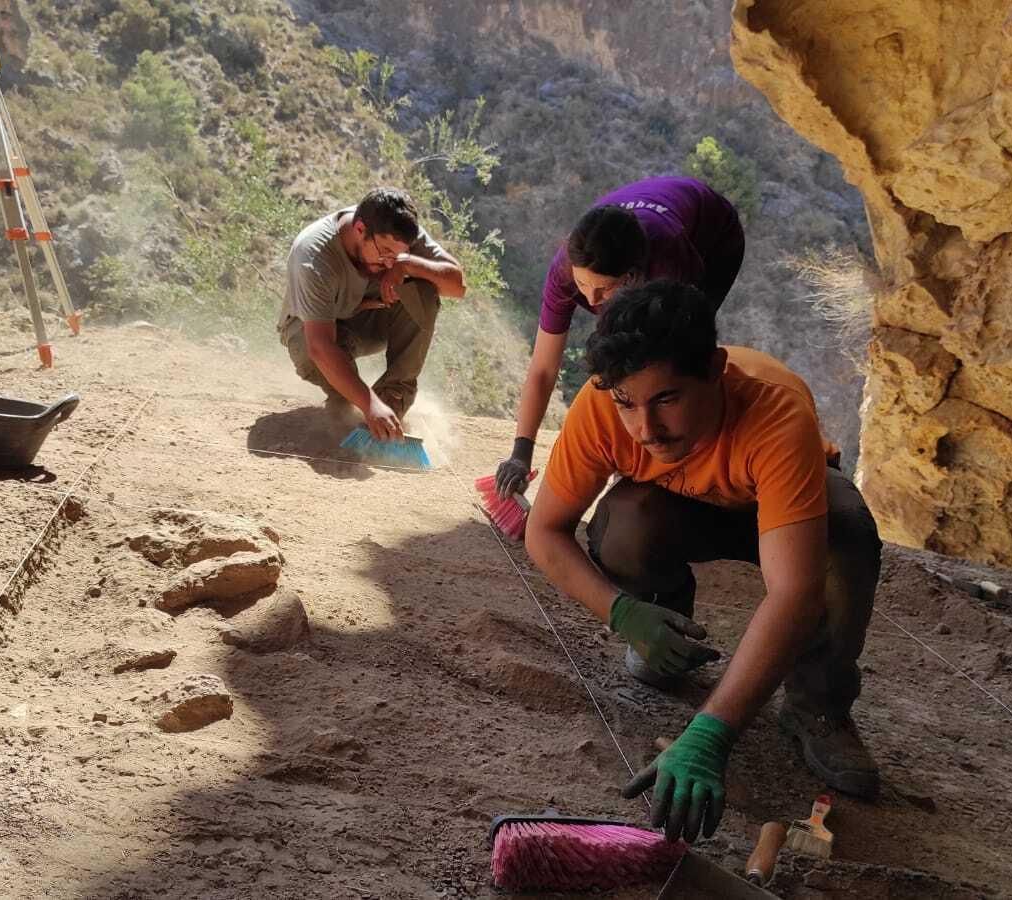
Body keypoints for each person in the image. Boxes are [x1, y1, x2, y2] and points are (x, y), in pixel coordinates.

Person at [523, 280, 881, 842]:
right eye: (627, 404)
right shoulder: (602, 406)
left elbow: (794, 593)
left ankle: (817, 703)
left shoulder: (775, 414)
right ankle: (665, 629)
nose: (645, 429)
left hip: (781, 501)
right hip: (682, 504)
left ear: (713, 370)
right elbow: (544, 533)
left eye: (666, 398)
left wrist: (712, 732)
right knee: (625, 524)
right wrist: (623, 613)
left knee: (849, 535)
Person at [494, 175, 745, 497]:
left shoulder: (669, 258)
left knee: (673, 357)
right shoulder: (565, 272)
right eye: (583, 286)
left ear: (633, 277)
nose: (591, 300)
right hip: (640, 241)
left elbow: (683, 344)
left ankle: (680, 457)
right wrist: (520, 454)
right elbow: (543, 368)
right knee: (618, 355)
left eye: (604, 289)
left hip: (716, 239)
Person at [278, 187, 465, 440]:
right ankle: (352, 407)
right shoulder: (313, 254)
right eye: (385, 252)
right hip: (312, 333)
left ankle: (393, 399)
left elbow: (457, 286)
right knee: (345, 396)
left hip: (368, 321)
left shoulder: (396, 233)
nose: (389, 262)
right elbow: (319, 345)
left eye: (396, 254)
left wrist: (408, 264)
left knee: (424, 289)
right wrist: (368, 404)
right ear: (360, 229)